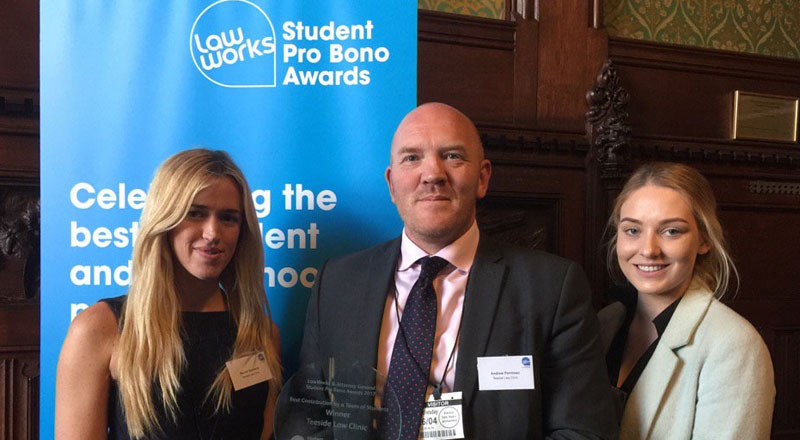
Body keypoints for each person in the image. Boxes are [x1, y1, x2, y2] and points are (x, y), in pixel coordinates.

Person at [298, 103, 617, 439]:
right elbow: (308, 418)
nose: (433, 174)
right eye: (412, 158)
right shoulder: (336, 283)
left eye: (452, 156)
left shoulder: (551, 288)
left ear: (482, 178)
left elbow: (583, 432)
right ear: (392, 185)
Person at [55, 149, 281, 439]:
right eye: (195, 213)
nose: (212, 232)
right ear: (165, 219)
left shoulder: (260, 333)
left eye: (228, 218)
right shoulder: (100, 328)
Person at [600, 162, 775, 439]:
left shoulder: (735, 344)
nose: (648, 250)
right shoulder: (604, 323)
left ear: (704, 240)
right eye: (633, 230)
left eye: (671, 231)